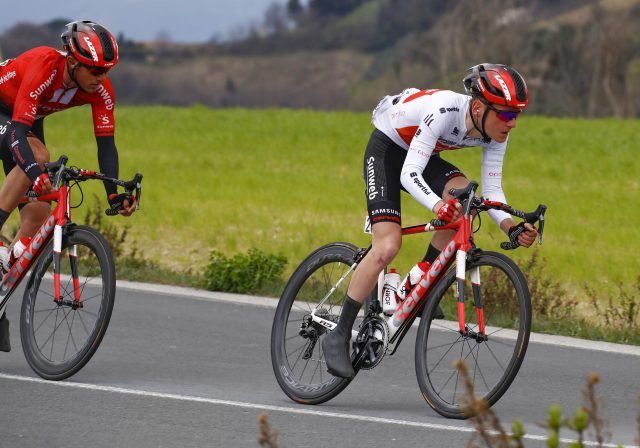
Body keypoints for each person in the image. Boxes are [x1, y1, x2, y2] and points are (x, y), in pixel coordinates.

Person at [322, 63, 539, 379]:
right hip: (387, 150)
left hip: (420, 154)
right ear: (478, 107)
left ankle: (418, 284)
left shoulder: (496, 133)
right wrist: (438, 205)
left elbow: (492, 189)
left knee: (468, 201)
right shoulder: (444, 111)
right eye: (506, 114)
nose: (513, 123)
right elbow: (409, 174)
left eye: (517, 115)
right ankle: (339, 334)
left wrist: (511, 226)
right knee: (387, 246)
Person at [0, 20, 136, 352]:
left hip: (25, 120)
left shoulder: (101, 89)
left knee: (37, 214)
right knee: (38, 155)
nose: (101, 78)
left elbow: (106, 145)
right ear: (72, 62)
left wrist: (115, 194)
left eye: (107, 71)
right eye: (94, 70)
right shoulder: (44, 66)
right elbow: (18, 135)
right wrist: (34, 171)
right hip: (10, 114)